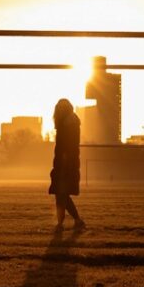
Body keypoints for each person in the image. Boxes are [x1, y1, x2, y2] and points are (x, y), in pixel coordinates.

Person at [48, 98, 85, 231]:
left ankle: (62, 223)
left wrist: (64, 165)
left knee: (61, 194)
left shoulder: (68, 124)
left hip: (66, 165)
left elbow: (67, 147)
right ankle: (75, 221)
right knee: (62, 194)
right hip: (64, 164)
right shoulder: (67, 123)